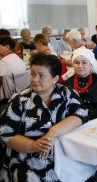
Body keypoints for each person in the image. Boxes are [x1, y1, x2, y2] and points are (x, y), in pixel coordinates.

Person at [0, 53, 88, 181]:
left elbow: (80, 115)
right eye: (33, 74)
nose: (34, 79)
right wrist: (34, 145)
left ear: (55, 78)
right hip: (27, 156)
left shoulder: (67, 94)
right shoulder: (20, 100)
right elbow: (5, 133)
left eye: (41, 76)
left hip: (63, 153)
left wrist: (52, 133)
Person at [62, 48, 97, 120]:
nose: (80, 66)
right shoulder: (66, 83)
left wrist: (89, 119)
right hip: (74, 122)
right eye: (76, 63)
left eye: (84, 62)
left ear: (91, 65)